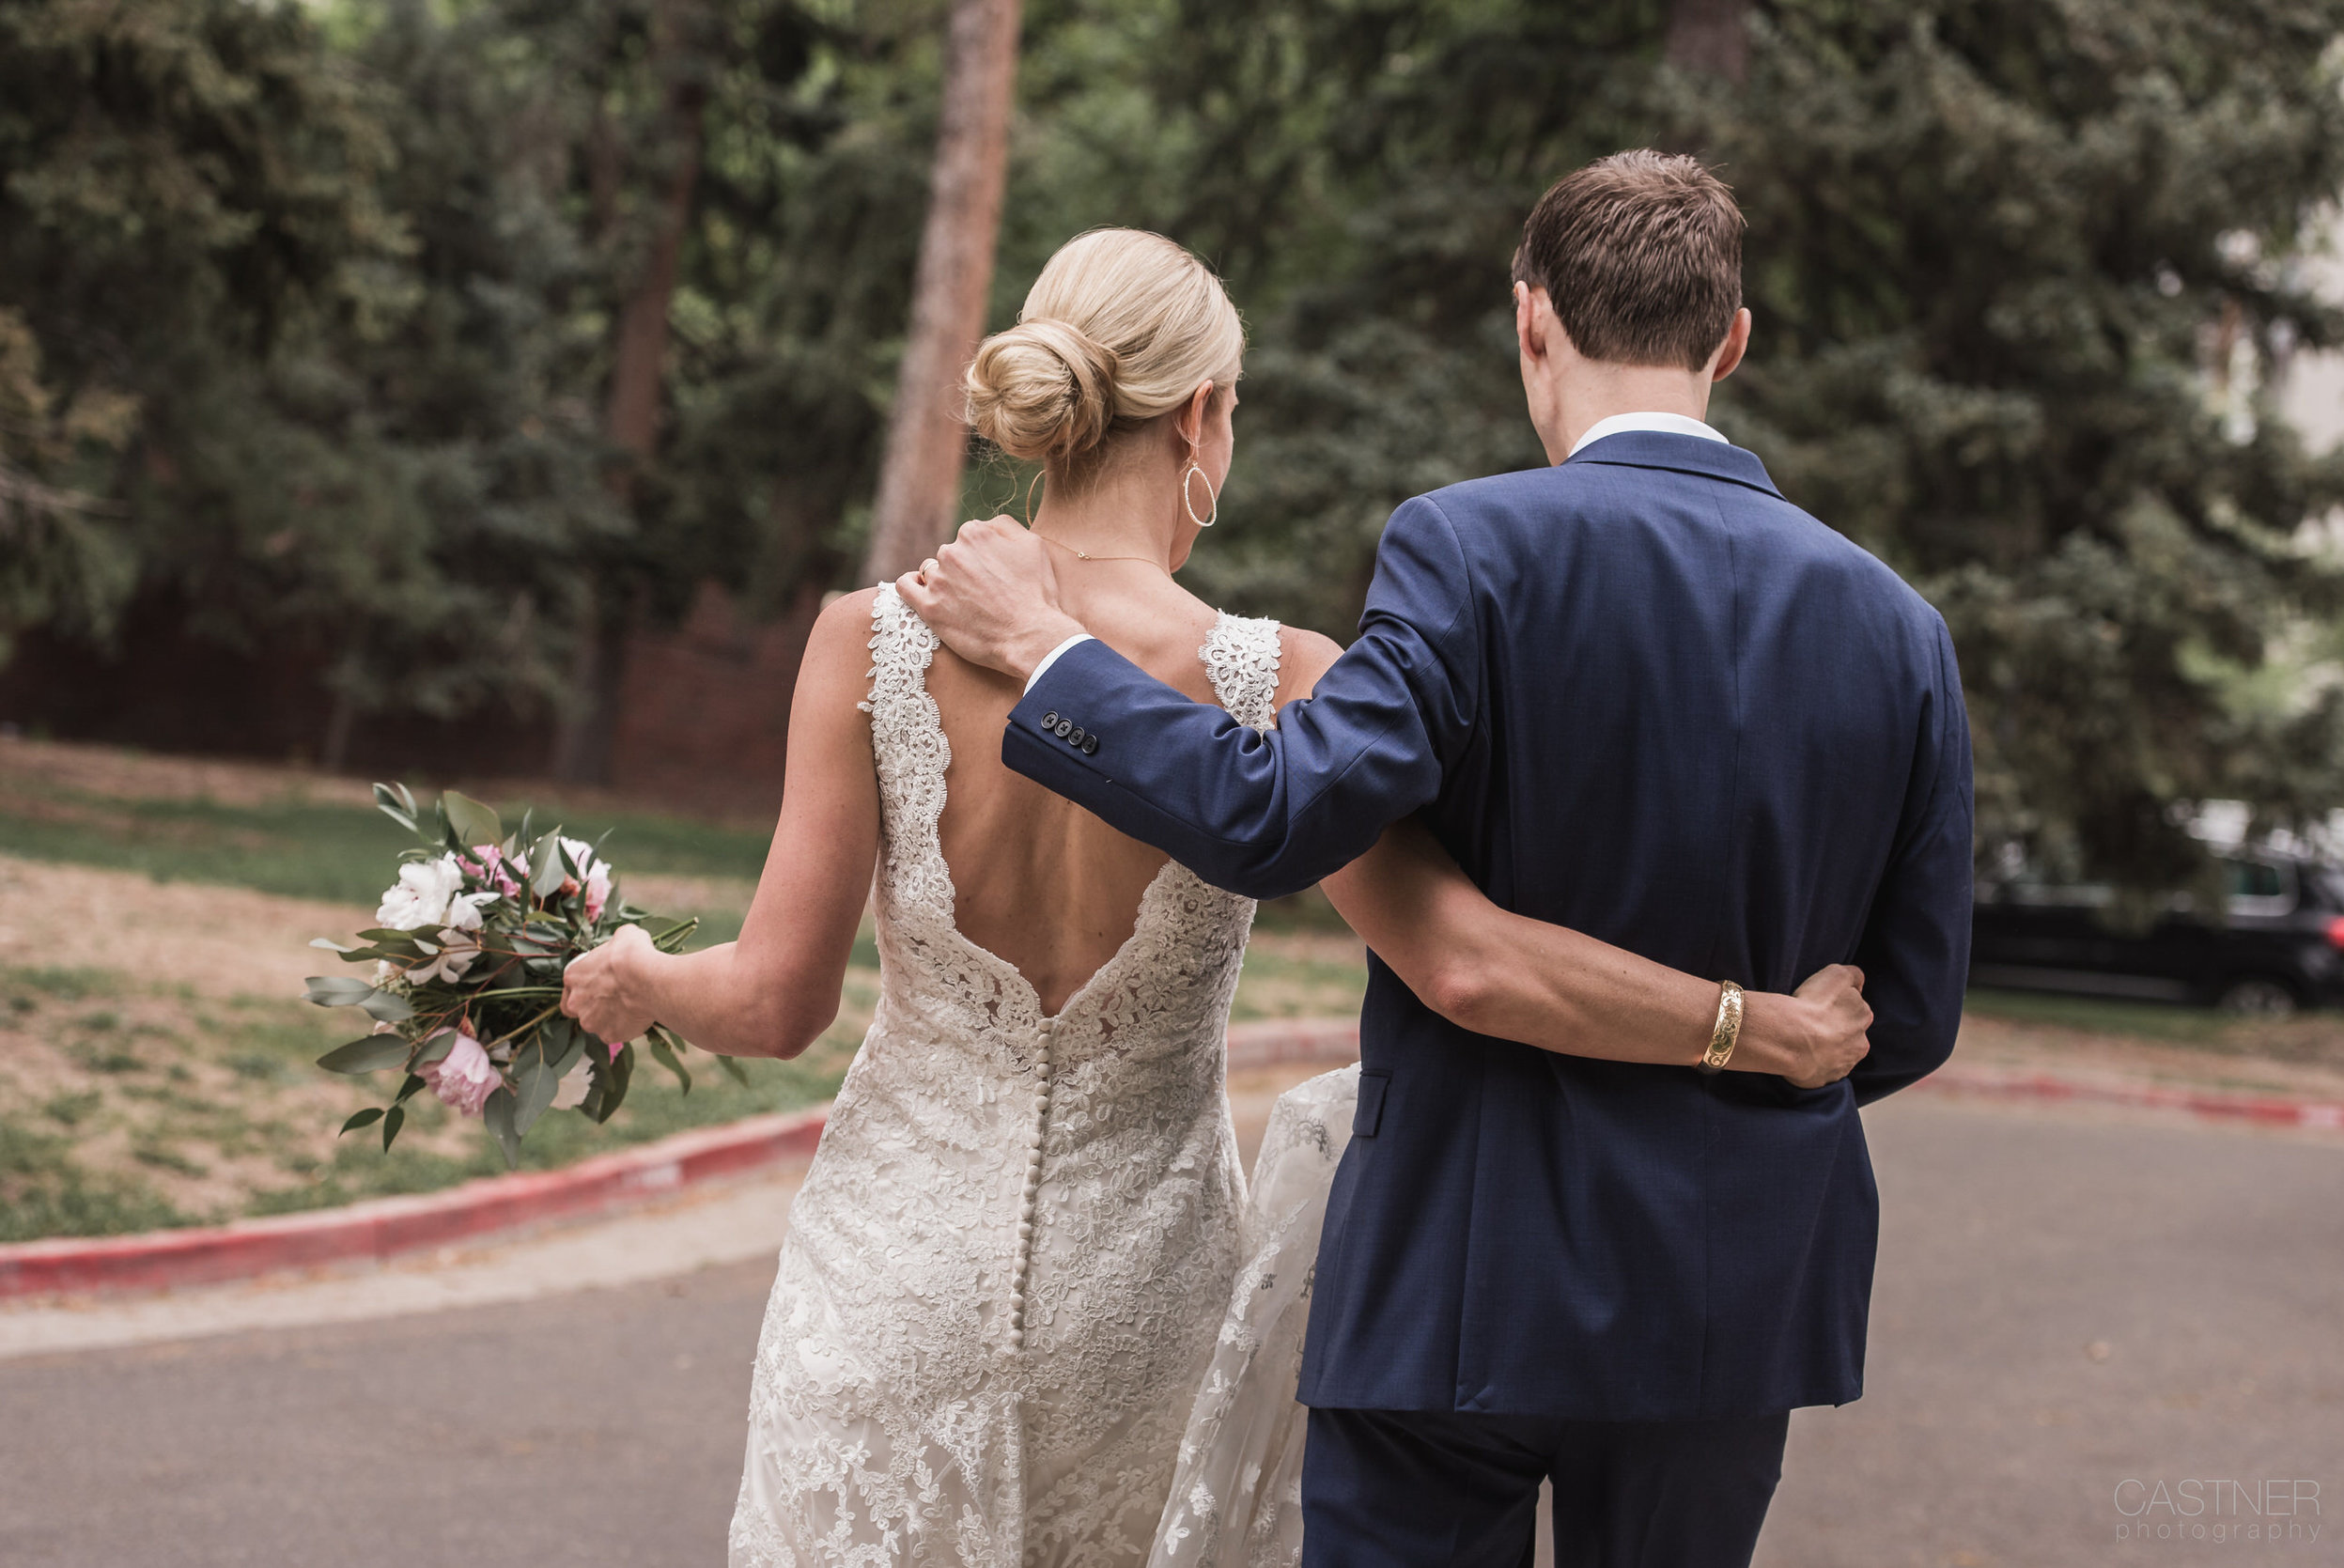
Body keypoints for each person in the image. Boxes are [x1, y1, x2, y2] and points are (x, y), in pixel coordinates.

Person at [563, 225, 1875, 1568]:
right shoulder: (1279, 676)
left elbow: (776, 1001)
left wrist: (622, 975)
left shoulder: (873, 638)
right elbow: (1465, 958)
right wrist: (1750, 1023)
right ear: (1201, 416)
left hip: (890, 1286)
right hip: (1142, 1311)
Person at [900, 155, 1974, 1568]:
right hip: (1730, 1295)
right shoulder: (1900, 631)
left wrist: (1052, 658)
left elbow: (1277, 813)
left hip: (1461, 1279)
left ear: (1531, 322)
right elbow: (1909, 1012)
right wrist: (1748, 1055)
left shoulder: (1468, 547)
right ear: (1731, 340)